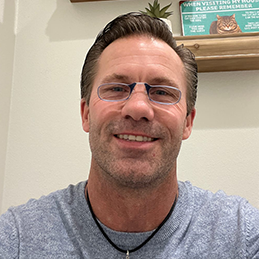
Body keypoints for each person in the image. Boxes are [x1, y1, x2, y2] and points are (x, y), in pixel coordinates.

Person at [0, 12, 258, 259]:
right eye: (116, 88)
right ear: (86, 114)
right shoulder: (17, 239)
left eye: (162, 92)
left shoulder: (242, 237)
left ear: (188, 122)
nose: (138, 108)